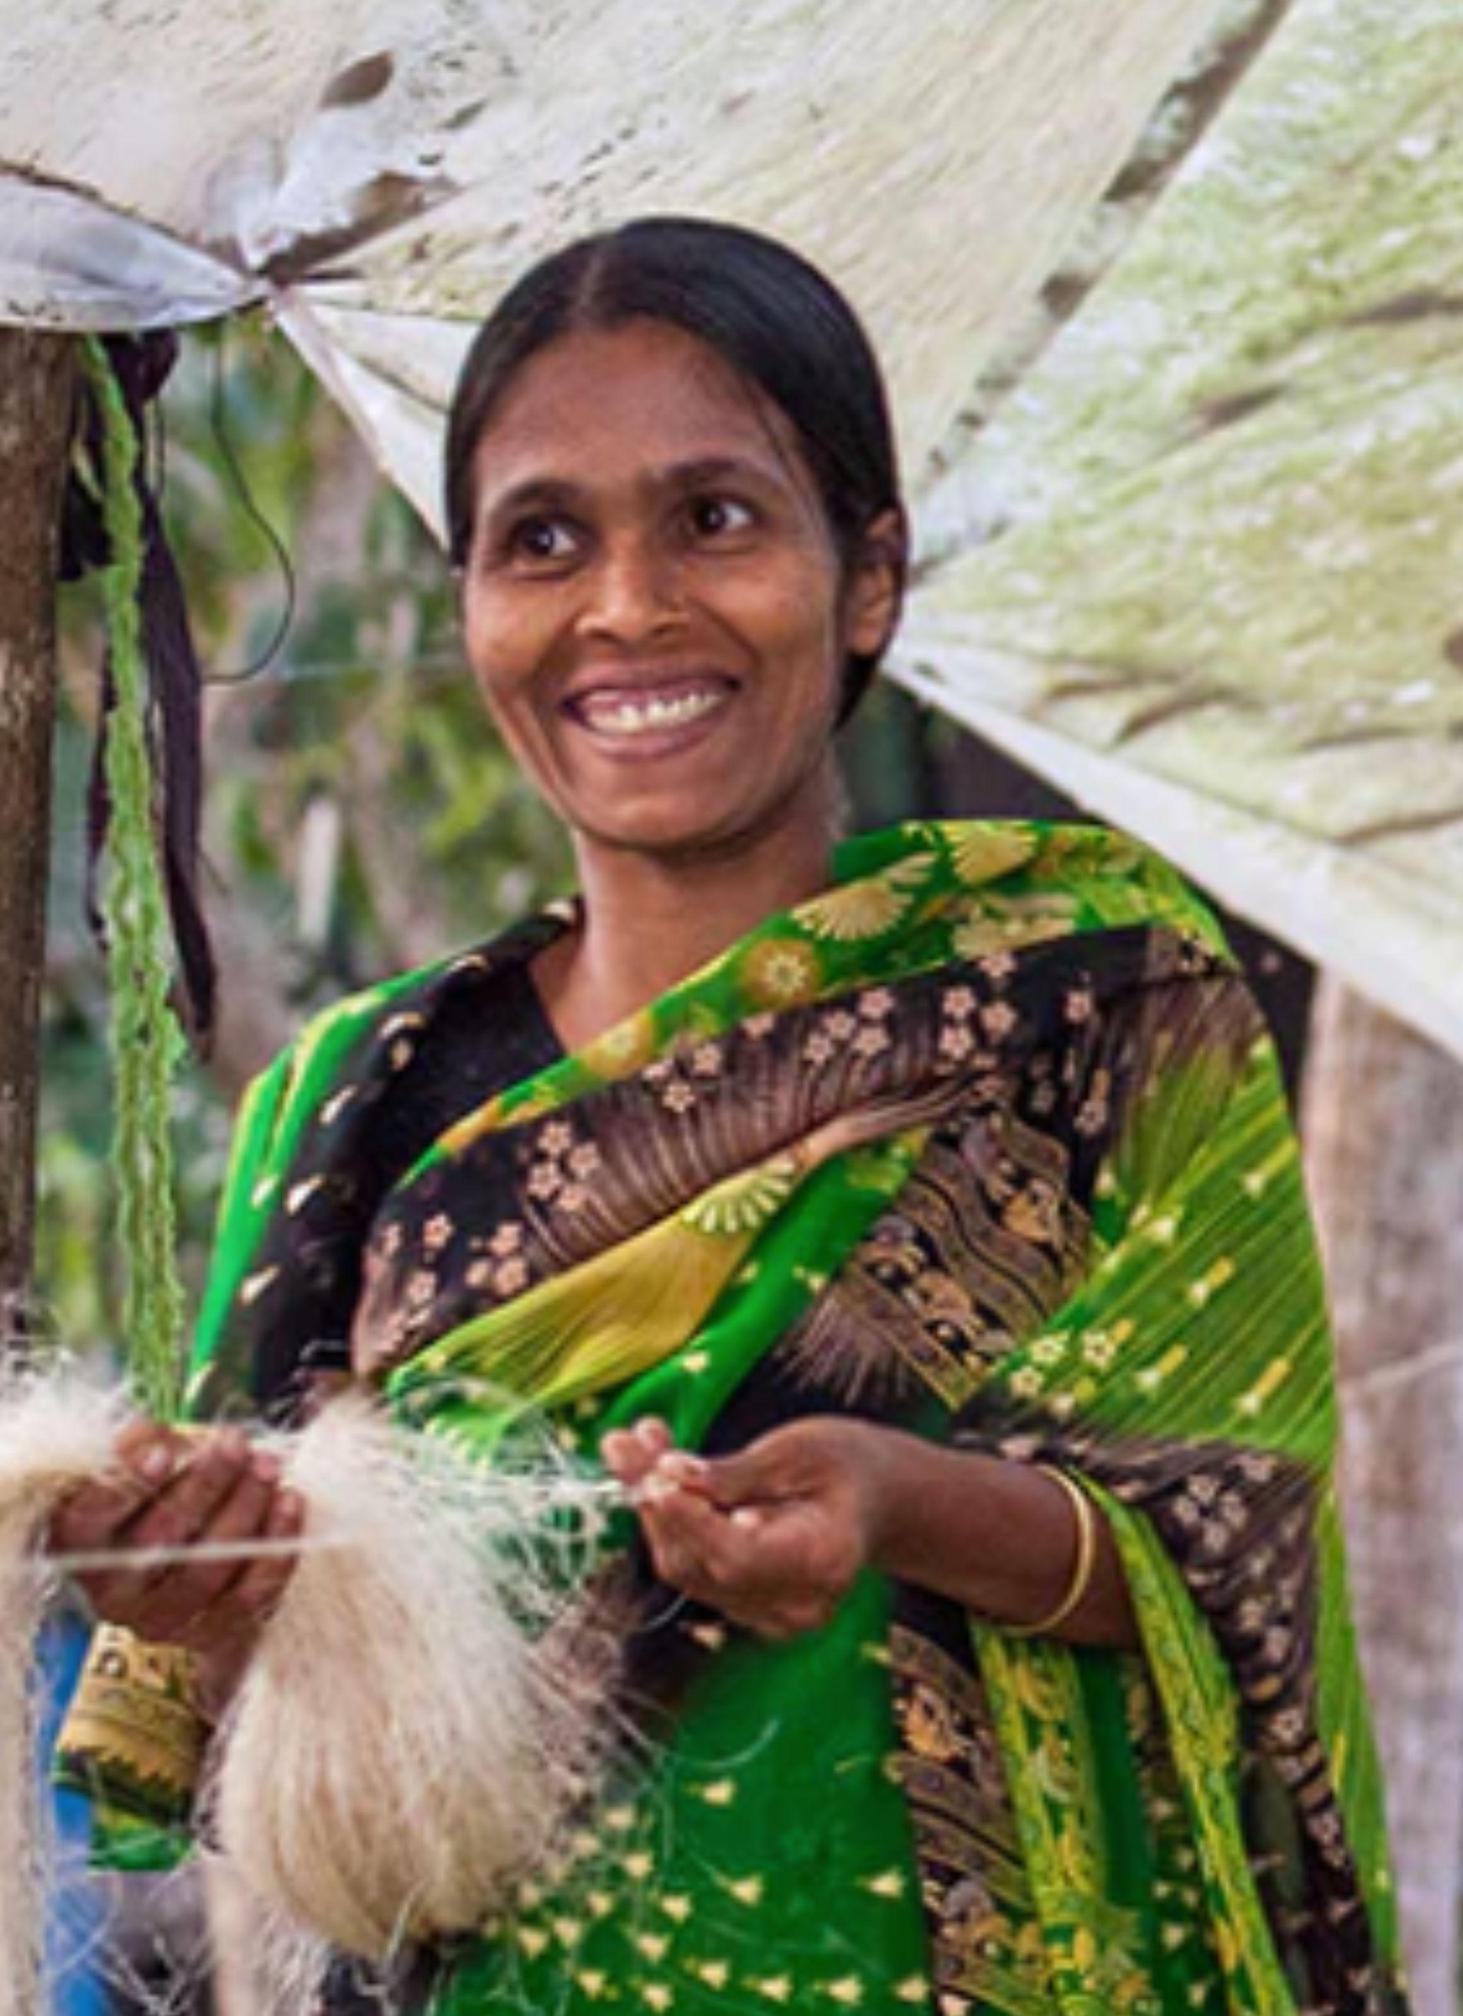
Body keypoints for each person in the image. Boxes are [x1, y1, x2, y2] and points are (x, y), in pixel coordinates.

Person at [50, 217, 1408, 2016]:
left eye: (715, 518)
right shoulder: (352, 1100)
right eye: (544, 541)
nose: (626, 610)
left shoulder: (1098, 1005)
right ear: (469, 604)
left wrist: (899, 1500)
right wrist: (209, 1602)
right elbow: (231, 1758)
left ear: (866, 577)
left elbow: (1230, 1556)